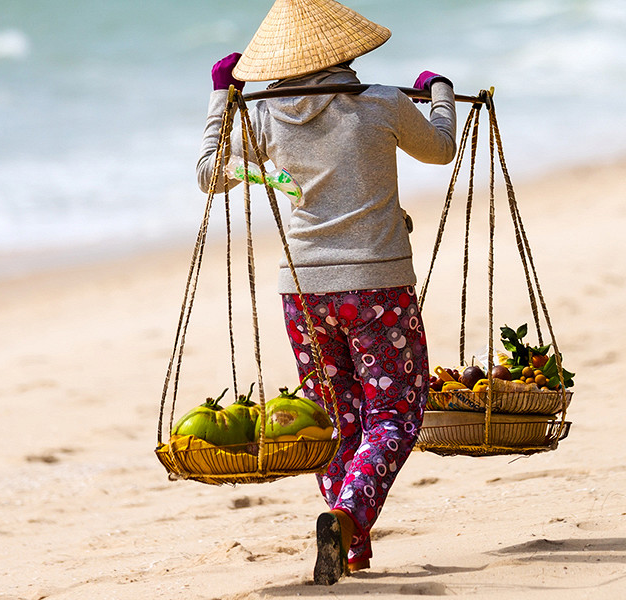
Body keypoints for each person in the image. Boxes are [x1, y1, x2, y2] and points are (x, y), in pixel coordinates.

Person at [195, 0, 456, 586]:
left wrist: (221, 98)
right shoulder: (384, 102)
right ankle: (345, 518)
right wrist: (438, 90)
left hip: (305, 296)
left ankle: (353, 545)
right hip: (377, 287)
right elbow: (441, 149)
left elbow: (210, 174)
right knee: (394, 413)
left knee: (338, 417)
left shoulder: (266, 117)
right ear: (350, 50)